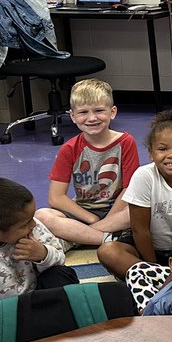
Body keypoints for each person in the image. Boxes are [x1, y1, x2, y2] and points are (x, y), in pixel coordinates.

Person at [97, 110, 172, 278]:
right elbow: (140, 230)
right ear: (151, 153)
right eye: (162, 149)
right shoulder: (144, 176)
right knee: (108, 251)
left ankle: (169, 281)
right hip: (147, 250)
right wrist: (153, 268)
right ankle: (167, 281)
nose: (171, 155)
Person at [35, 78, 136, 247]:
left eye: (99, 110)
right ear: (73, 116)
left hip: (118, 210)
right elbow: (56, 197)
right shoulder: (69, 148)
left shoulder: (126, 142)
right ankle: (105, 238)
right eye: (83, 112)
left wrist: (109, 219)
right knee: (42, 215)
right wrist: (91, 218)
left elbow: (129, 189)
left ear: (112, 112)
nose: (92, 118)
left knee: (143, 211)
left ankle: (81, 236)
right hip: (83, 211)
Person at [0, 178, 74, 305]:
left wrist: (43, 254)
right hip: (10, 312)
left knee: (59, 273)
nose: (34, 224)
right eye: (25, 224)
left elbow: (60, 259)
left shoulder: (31, 228)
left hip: (41, 295)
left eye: (32, 218)